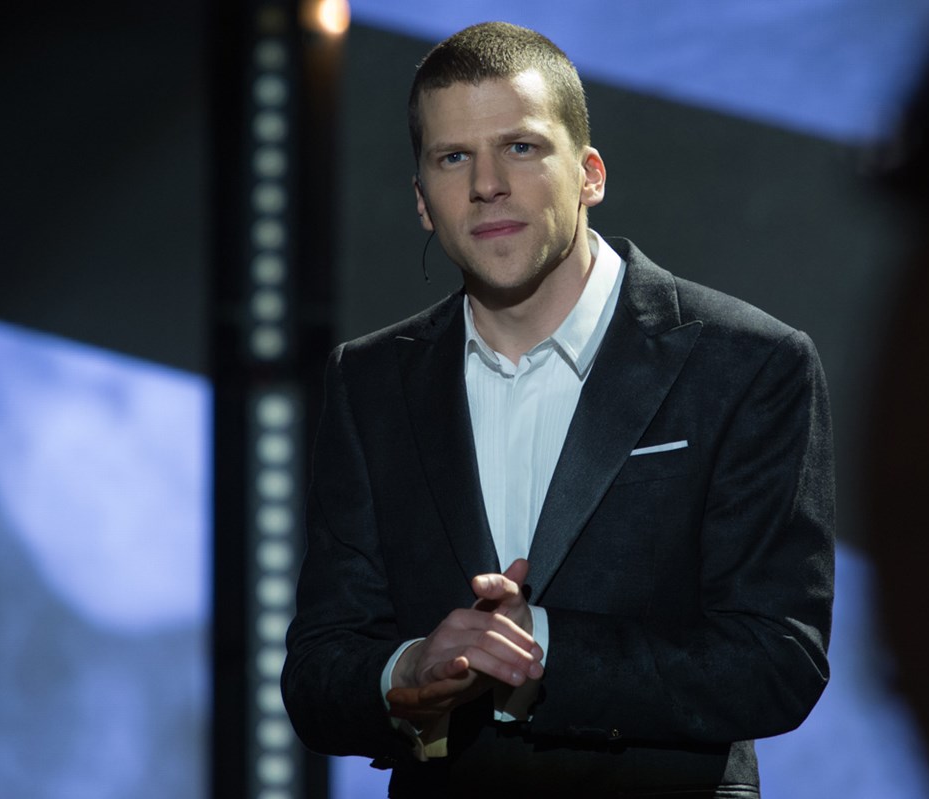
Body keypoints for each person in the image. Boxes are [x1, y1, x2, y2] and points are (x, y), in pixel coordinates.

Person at [282, 21, 834, 798]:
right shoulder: (370, 381)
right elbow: (316, 670)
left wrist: (539, 647)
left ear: (589, 174)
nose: (487, 184)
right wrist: (406, 670)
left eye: (520, 146)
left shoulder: (748, 364)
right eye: (452, 158)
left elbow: (779, 658)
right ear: (422, 201)